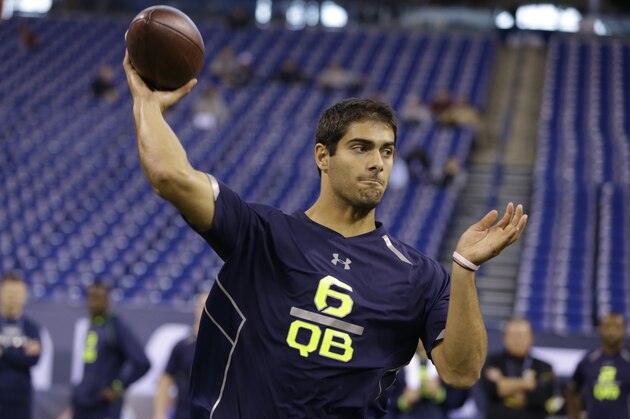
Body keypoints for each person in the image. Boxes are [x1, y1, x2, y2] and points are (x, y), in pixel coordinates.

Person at [123, 49, 528, 418]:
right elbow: (170, 176)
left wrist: (465, 267)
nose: (378, 163)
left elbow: (461, 372)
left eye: (387, 151)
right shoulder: (262, 234)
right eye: (361, 148)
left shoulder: (420, 276)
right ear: (323, 156)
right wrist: (147, 103)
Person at [71, 283, 150, 419]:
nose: (94, 301)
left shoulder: (115, 326)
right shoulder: (92, 324)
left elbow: (142, 362)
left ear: (108, 300)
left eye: (99, 297)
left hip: (104, 406)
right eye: (91, 297)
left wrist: (118, 387)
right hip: (84, 402)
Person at [481, 318, 555, 419]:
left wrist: (502, 382)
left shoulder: (544, 367)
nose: (517, 341)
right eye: (513, 336)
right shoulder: (492, 361)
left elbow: (541, 397)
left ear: (532, 338)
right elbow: (492, 390)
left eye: (522, 336)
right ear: (504, 338)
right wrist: (527, 383)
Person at [153, 293, 208, 419]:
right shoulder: (182, 346)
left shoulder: (224, 346)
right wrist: (159, 413)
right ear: (196, 309)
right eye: (203, 306)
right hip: (185, 413)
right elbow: (165, 379)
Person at [565, 313, 630, 419]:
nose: (612, 331)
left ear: (624, 330)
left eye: (617, 327)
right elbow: (571, 389)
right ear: (600, 329)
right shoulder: (589, 360)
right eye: (607, 326)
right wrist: (575, 416)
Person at [0, 273, 42, 419]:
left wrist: (4, 352)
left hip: (20, 399)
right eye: (9, 293)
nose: (13, 297)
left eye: (17, 293)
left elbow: (33, 360)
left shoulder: (31, 327)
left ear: (24, 296)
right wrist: (20, 353)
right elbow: (25, 358)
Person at [394, 340, 469, 419]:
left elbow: (459, 398)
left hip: (438, 414)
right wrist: (404, 400)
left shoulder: (448, 362)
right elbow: (385, 400)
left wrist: (439, 393)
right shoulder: (397, 363)